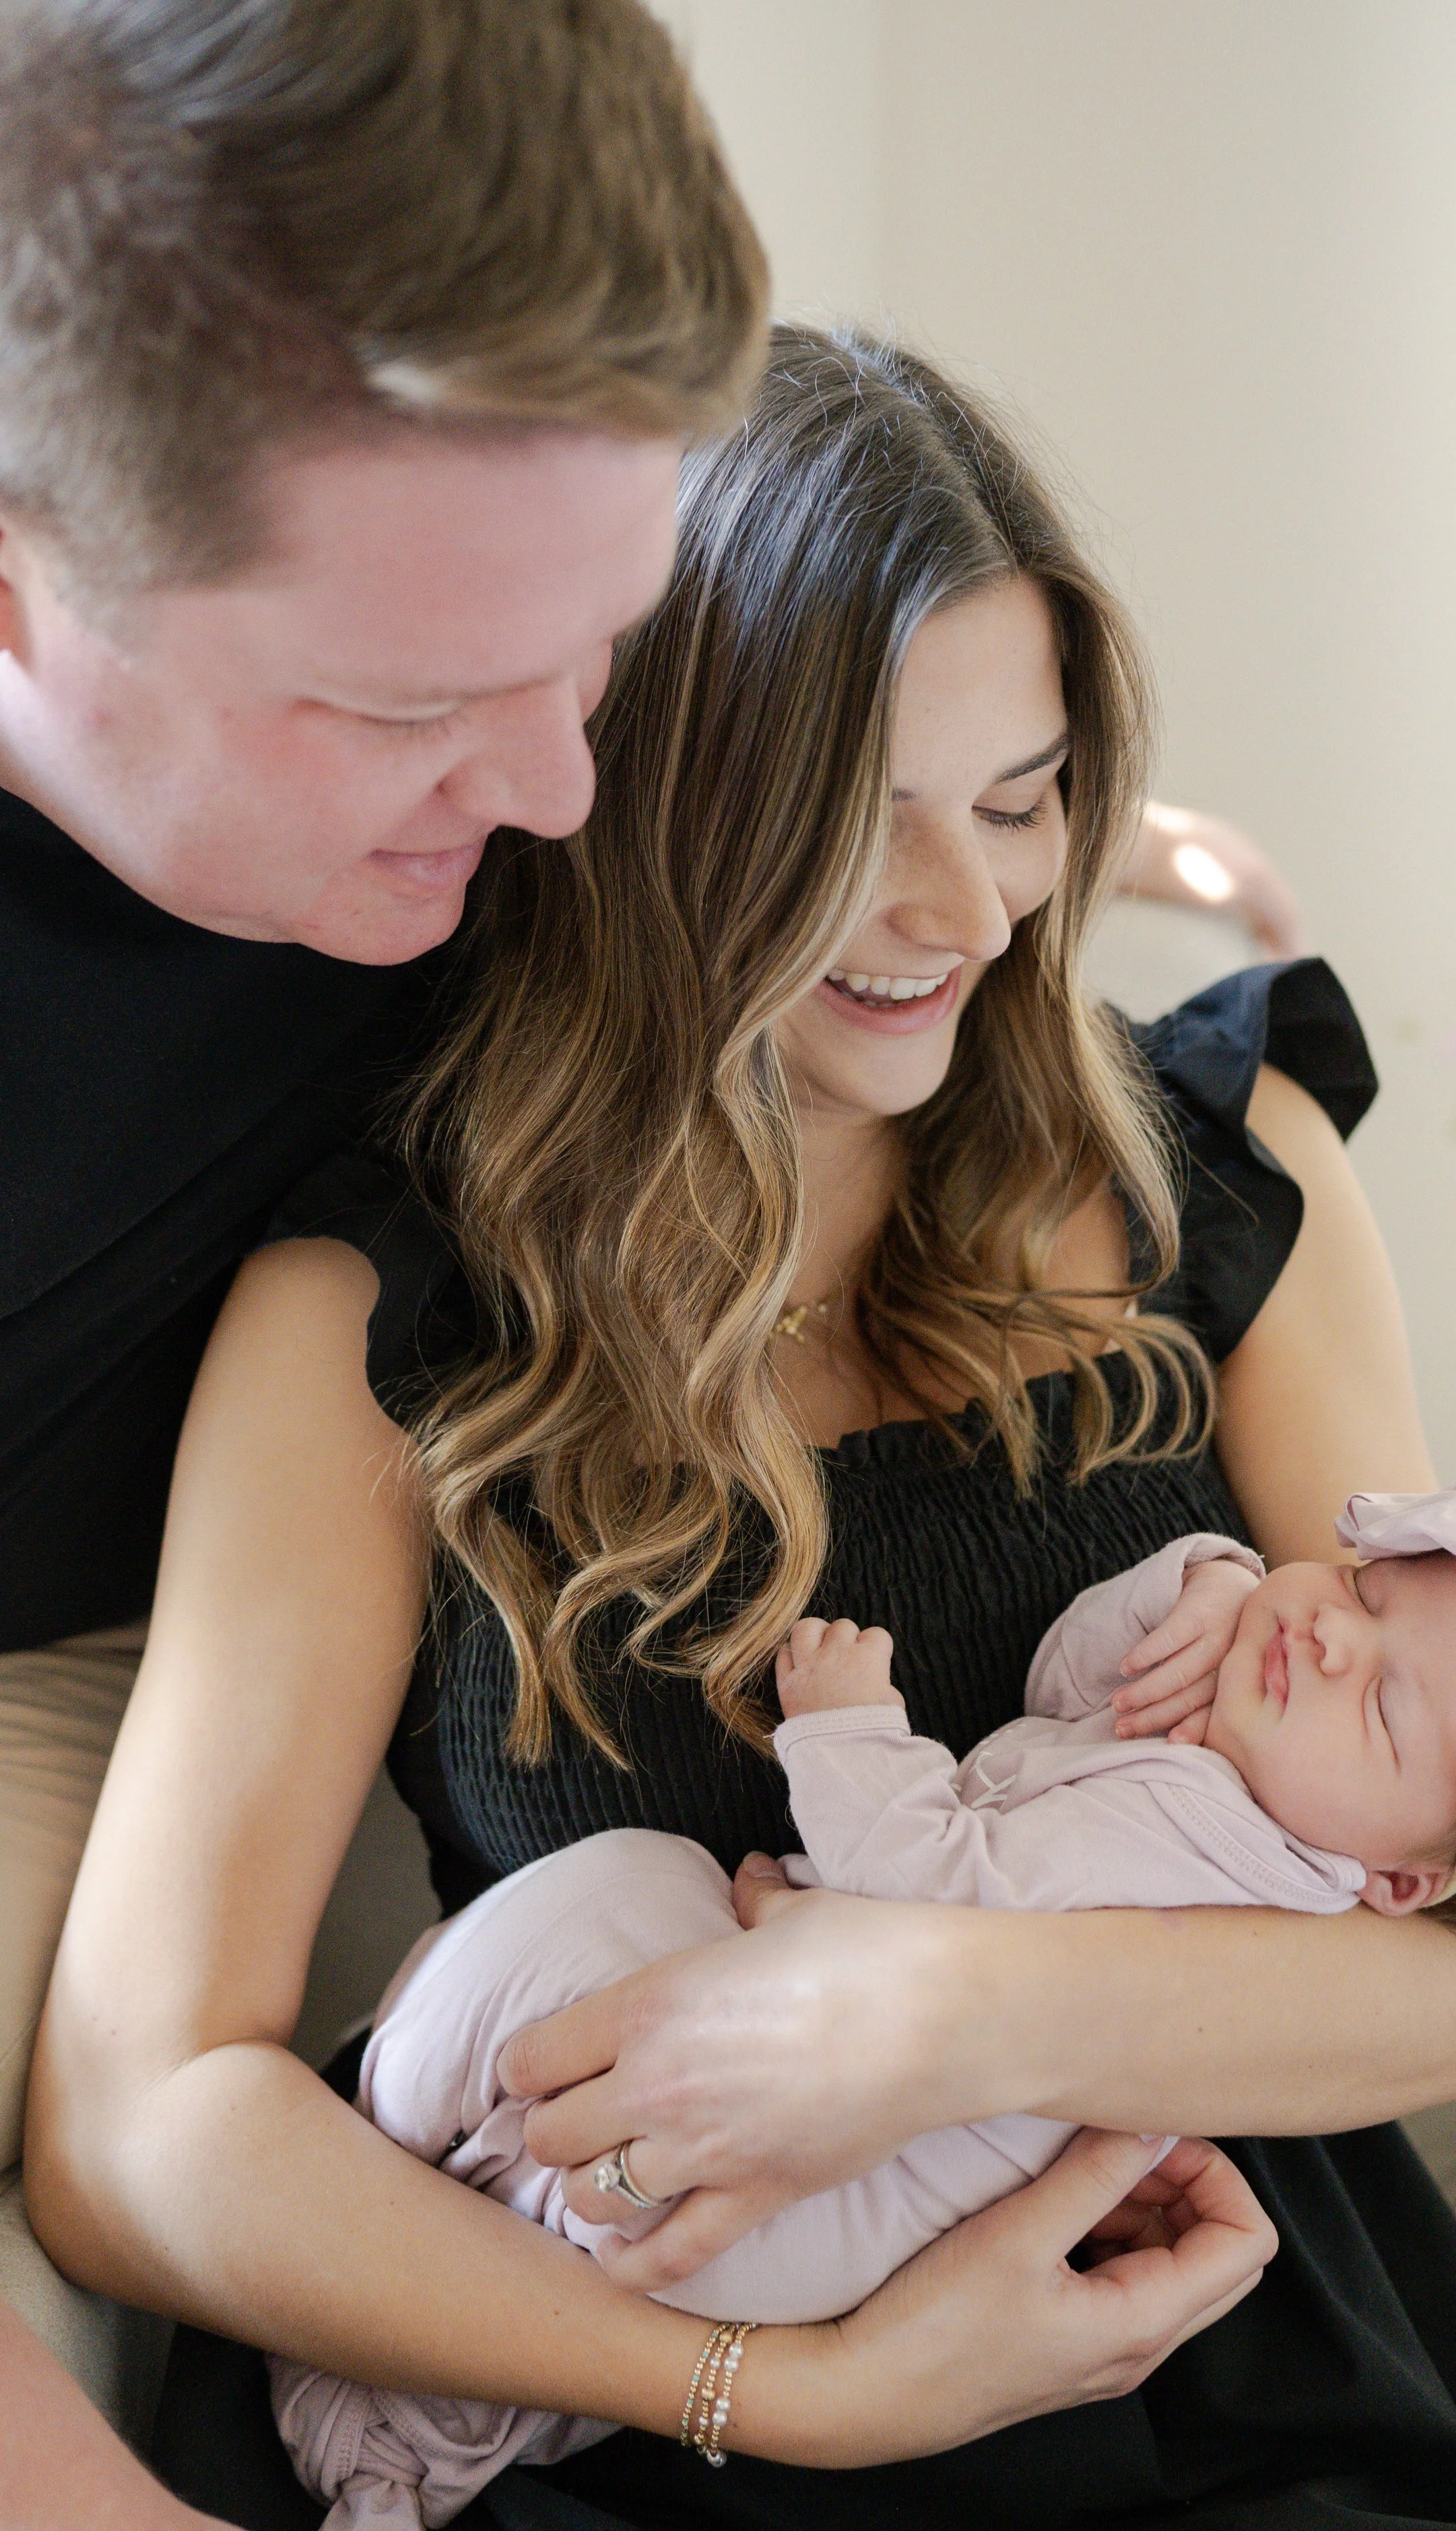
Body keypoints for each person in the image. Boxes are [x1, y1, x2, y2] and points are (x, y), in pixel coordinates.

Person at [26, 324, 1456, 2529]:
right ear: (653, 793)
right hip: (653, 2378)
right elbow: (135, 2119)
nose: (966, 912)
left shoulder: (1222, 1184)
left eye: (1022, 794)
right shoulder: (384, 1314)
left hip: (1210, 2352)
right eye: (856, 821)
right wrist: (783, 2386)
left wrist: (943, 2013)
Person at [0, 0, 770, 2518]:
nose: (560, 786)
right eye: (411, 699)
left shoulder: (522, 686)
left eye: (605, 640)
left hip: (336, 1598)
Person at [268, 1461, 1456, 2526]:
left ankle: (430, 2326)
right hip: (850, 2182)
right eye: (1364, 1597)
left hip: (856, 2213)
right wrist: (1195, 1587)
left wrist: (843, 1724)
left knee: (631, 1890)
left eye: (1379, 1707)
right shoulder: (1247, 1770)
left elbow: (931, 1886)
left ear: (1399, 1888)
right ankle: (444, 2282)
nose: (1324, 1641)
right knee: (625, 1942)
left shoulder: (1203, 1840)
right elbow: (1070, 1684)